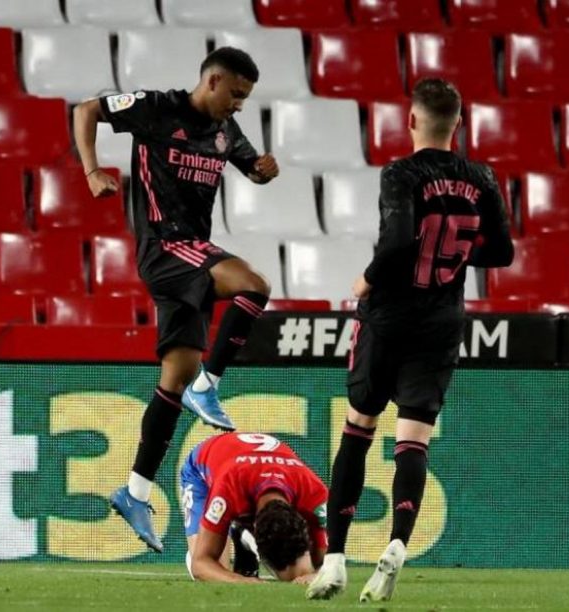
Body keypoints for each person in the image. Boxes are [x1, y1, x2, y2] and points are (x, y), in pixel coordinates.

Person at [306, 78, 514, 602]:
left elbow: (398, 240)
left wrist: (368, 279)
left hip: (389, 316)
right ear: (458, 123)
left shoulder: (402, 174)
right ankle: (397, 543)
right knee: (413, 439)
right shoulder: (481, 176)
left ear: (412, 120)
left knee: (358, 429)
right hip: (441, 321)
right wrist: (455, 255)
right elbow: (502, 252)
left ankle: (333, 559)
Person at [73, 47, 279, 553]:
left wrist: (263, 171)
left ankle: (135, 491)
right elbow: (86, 110)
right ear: (211, 81)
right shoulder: (157, 108)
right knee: (255, 285)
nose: (238, 105)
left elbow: (252, 167)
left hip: (191, 260)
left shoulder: (226, 132)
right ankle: (209, 385)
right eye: (235, 94)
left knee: (173, 379)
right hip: (166, 246)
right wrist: (92, 170)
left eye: (245, 98)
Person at [180, 432, 328, 583]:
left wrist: (315, 575)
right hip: (202, 470)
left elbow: (327, 562)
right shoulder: (228, 489)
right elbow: (201, 563)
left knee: (301, 573)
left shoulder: (314, 493)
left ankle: (243, 534)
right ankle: (238, 529)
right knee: (215, 573)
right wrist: (241, 581)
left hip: (249, 469)